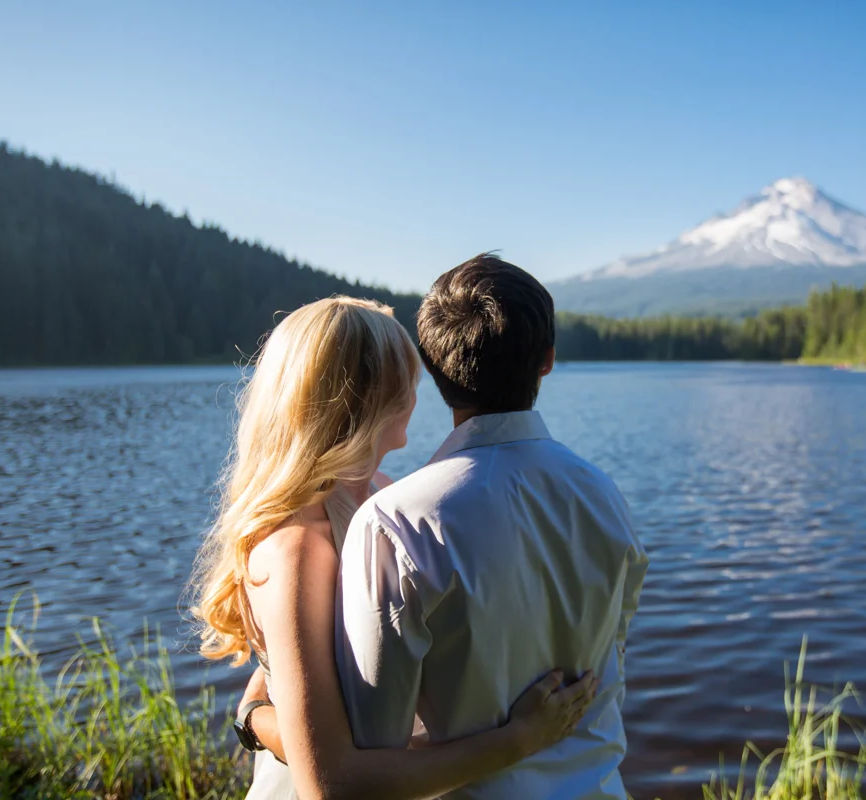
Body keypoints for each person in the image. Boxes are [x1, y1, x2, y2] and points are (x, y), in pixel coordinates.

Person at [244, 256, 649, 799]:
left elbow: (371, 728)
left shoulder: (394, 514)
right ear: (548, 362)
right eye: (397, 375)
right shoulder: (603, 495)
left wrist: (253, 715)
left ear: (436, 371)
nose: (410, 387)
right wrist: (518, 739)